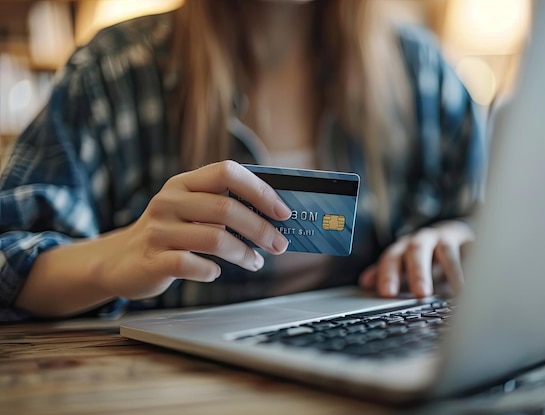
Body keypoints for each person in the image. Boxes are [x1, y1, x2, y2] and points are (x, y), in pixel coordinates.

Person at [0, 0, 486, 322]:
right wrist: (116, 256)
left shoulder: (421, 72)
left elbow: (488, 222)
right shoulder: (113, 72)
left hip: (374, 374)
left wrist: (457, 237)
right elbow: (8, 254)